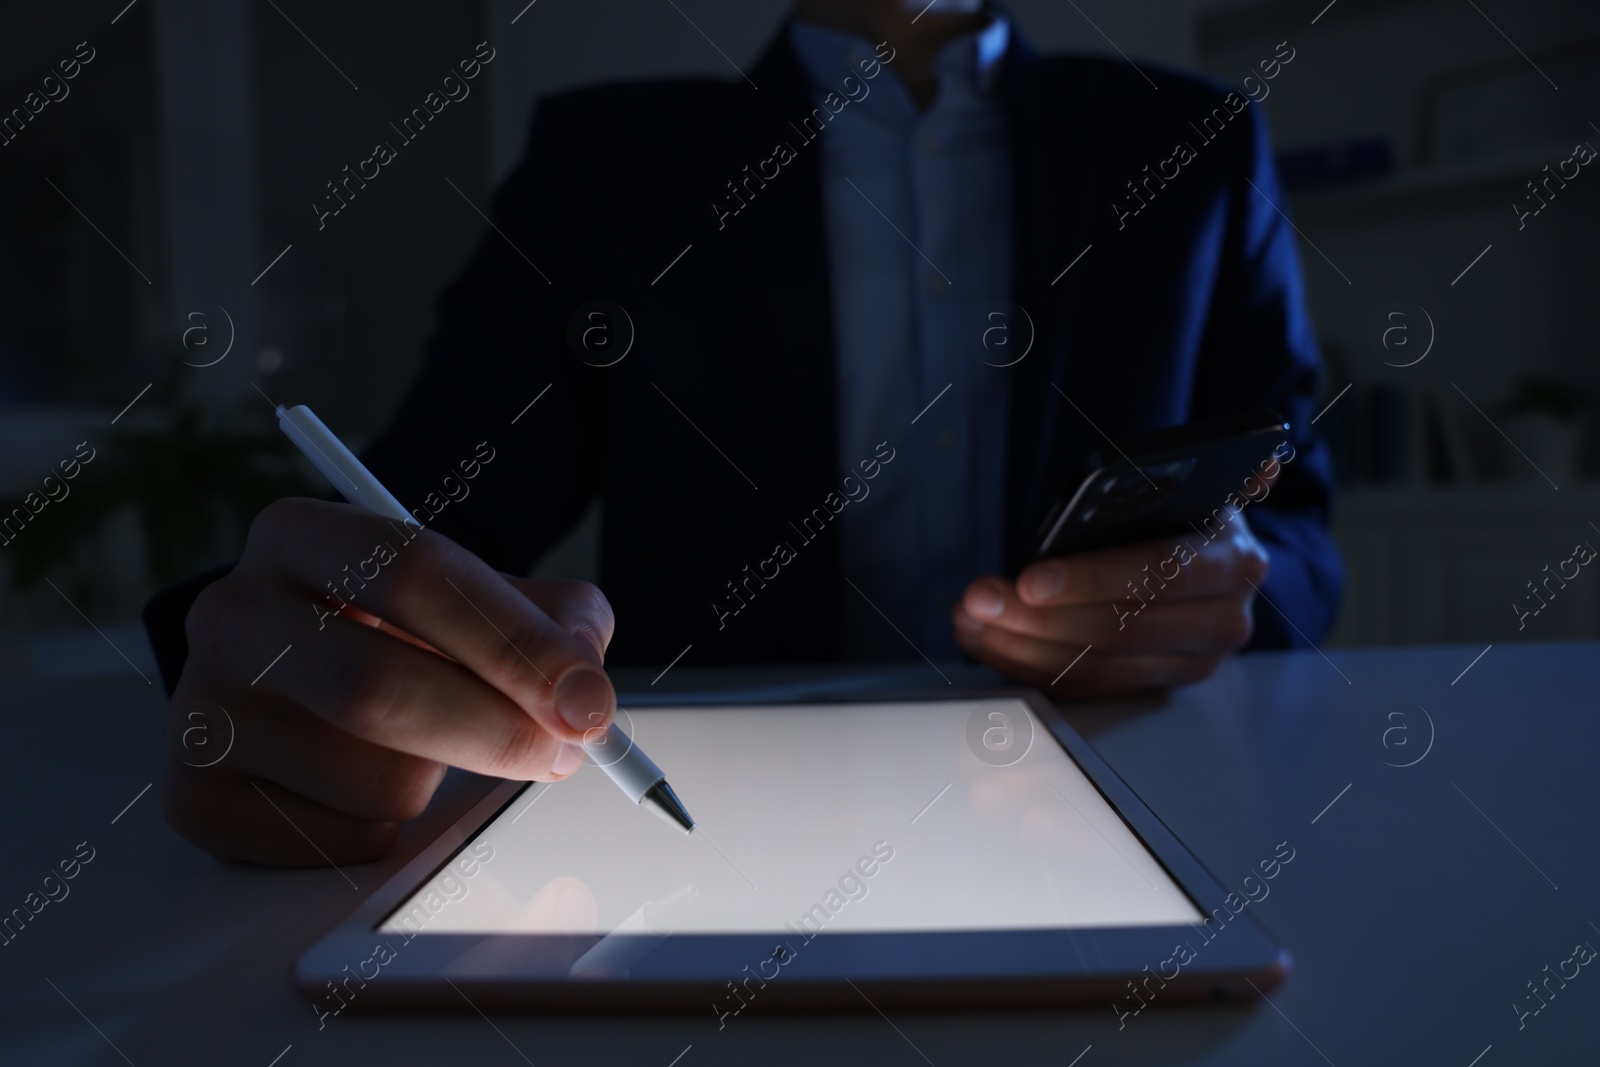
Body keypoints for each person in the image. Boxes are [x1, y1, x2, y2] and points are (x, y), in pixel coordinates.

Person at [144, 0, 1340, 864]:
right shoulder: (608, 162)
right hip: (718, 837)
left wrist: (1232, 586)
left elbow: (1300, 528)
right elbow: (437, 515)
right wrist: (292, 633)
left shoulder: (1194, 142)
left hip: (1133, 792)